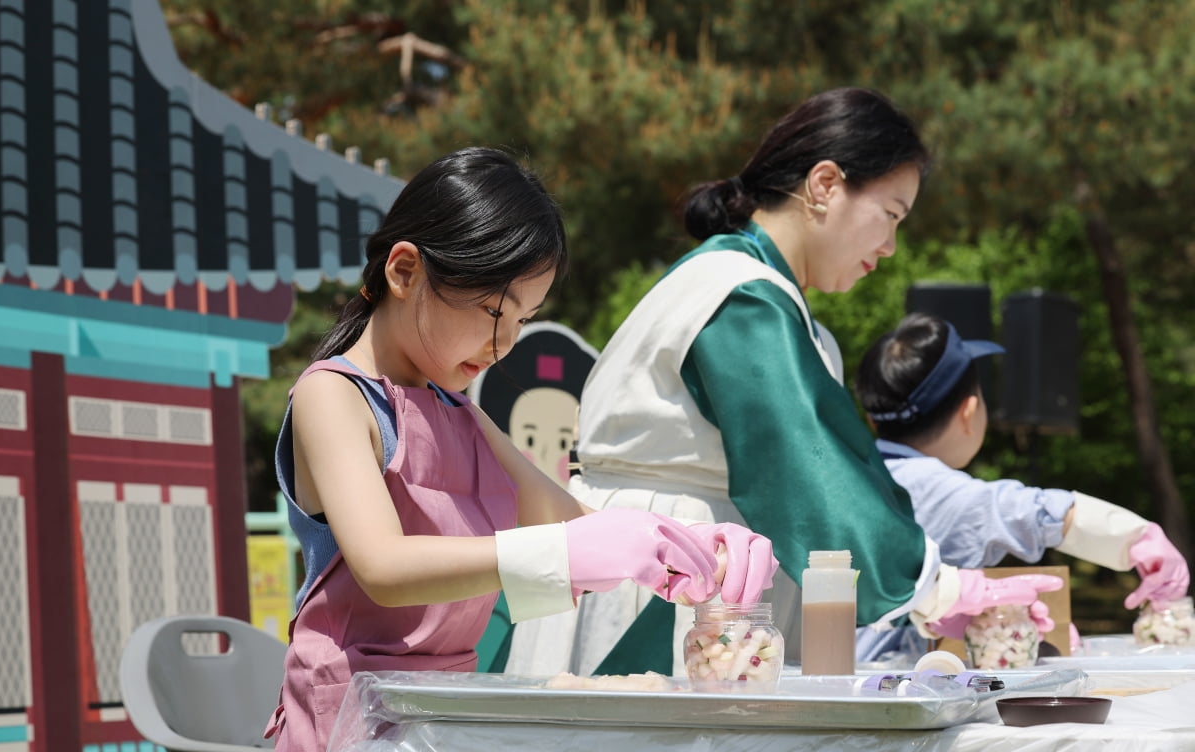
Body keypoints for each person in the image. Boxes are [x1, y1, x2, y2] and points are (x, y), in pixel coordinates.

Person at [504, 88, 1063, 679]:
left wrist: (929, 593)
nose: (891, 247)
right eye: (891, 215)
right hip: (667, 574)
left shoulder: (768, 301)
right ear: (825, 185)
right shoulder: (739, 293)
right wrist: (938, 590)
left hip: (700, 568)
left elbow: (847, 474)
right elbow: (807, 472)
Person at [261, 147, 779, 751]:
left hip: (443, 717)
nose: (503, 343)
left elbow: (578, 524)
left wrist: (689, 545)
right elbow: (383, 567)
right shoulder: (334, 395)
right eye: (492, 311)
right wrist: (569, 547)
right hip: (349, 719)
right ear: (404, 272)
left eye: (522, 321)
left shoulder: (462, 413)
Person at [853, 312, 1190, 662]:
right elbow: (1033, 511)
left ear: (872, 419)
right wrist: (1138, 538)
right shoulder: (944, 492)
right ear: (970, 412)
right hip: (878, 681)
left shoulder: (849, 475)